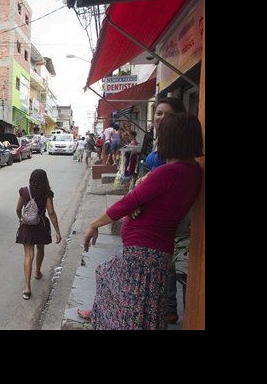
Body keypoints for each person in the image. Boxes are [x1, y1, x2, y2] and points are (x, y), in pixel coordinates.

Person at [79, 112, 203, 329]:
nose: (157, 140)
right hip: (156, 252)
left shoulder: (169, 172)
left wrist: (94, 224)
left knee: (132, 308)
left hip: (143, 253)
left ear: (171, 139)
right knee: (143, 308)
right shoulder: (193, 171)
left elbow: (127, 202)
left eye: (160, 135)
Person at [135, 96, 188, 324]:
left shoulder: (181, 147)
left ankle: (172, 310)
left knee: (174, 268)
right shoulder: (154, 140)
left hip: (171, 219)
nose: (162, 118)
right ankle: (161, 309)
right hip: (150, 216)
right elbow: (142, 172)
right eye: (158, 113)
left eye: (168, 114)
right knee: (162, 269)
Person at [15, 169, 62, 300]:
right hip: (41, 225)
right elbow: (51, 212)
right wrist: (57, 231)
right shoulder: (47, 193)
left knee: (28, 255)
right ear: (45, 180)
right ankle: (37, 272)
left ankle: (27, 288)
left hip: (27, 227)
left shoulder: (24, 191)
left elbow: (18, 209)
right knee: (40, 248)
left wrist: (21, 219)